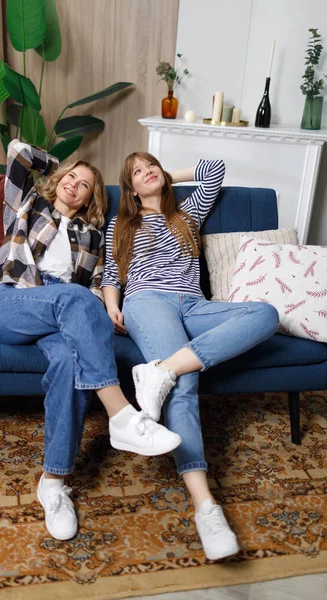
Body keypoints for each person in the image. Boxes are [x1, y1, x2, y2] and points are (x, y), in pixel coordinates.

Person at [0, 141, 182, 542]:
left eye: (86, 184)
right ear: (58, 182)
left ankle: (53, 483)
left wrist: (108, 312)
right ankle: (123, 415)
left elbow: (95, 287)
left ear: (94, 198)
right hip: (12, 302)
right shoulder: (25, 206)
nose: (75, 185)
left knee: (70, 363)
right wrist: (63, 167)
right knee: (72, 296)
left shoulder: (91, 236)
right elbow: (20, 153)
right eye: (71, 178)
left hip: (61, 315)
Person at [102, 152, 279, 561]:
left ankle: (161, 370)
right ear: (128, 188)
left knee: (266, 314)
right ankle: (207, 508)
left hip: (195, 304)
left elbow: (215, 168)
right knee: (185, 386)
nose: (146, 173)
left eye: (150, 166)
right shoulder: (122, 224)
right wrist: (113, 304)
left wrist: (164, 176)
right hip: (148, 301)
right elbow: (112, 274)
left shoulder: (187, 211)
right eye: (136, 172)